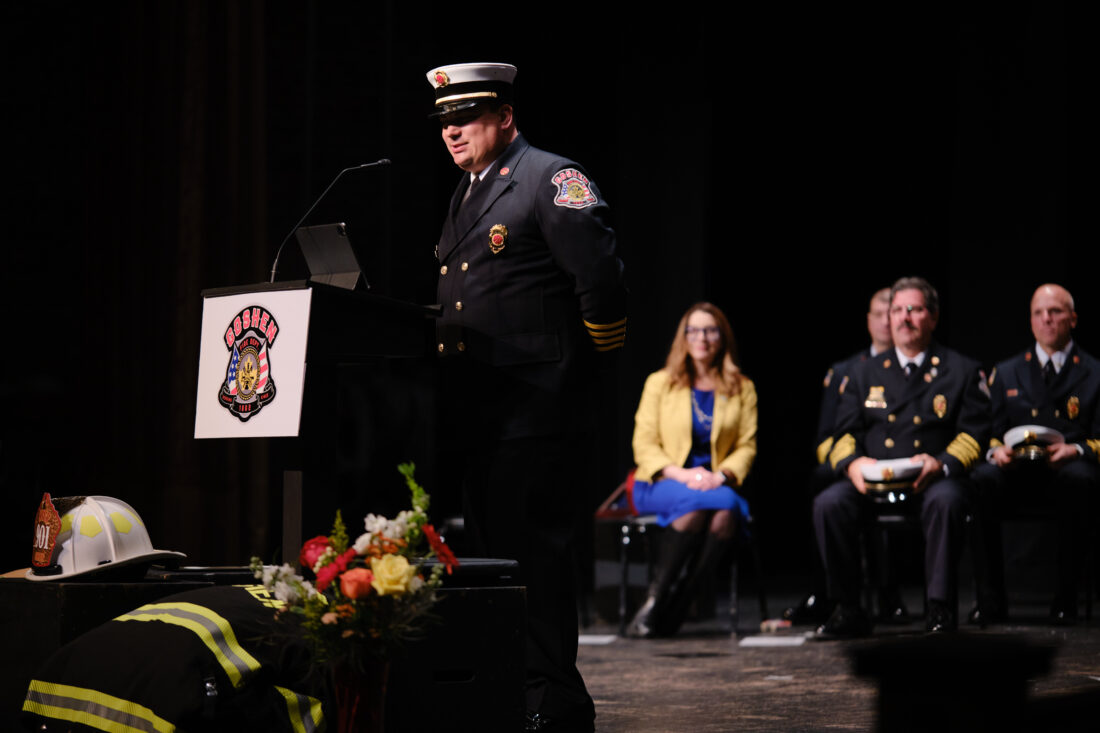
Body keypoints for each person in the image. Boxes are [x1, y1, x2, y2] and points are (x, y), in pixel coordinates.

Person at [426, 63, 627, 733]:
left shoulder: (548, 177)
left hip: (538, 409)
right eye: (445, 120)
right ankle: (513, 691)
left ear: (505, 116)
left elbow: (598, 275)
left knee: (535, 560)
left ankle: (558, 699)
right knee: (494, 557)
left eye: (468, 116)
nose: (452, 129)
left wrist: (586, 369)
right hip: (482, 411)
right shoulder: (468, 191)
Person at [812, 277, 990, 638]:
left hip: (932, 479)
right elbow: (842, 434)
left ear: (934, 317)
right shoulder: (861, 373)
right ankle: (848, 608)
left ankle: (939, 608)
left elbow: (975, 435)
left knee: (949, 500)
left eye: (915, 309)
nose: (904, 318)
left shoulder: (961, 370)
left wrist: (940, 463)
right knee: (828, 503)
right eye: (897, 310)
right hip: (873, 480)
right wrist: (852, 465)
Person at [970, 284, 1100, 625]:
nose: (1047, 319)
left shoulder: (1095, 371)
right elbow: (989, 431)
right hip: (1016, 472)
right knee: (979, 482)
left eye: (1055, 311)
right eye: (1039, 313)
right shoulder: (1008, 370)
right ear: (1030, 321)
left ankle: (1065, 600)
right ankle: (990, 601)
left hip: (1066, 470)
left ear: (1072, 318)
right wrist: (996, 450)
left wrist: (1076, 449)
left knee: (1081, 482)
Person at [627, 302, 757, 638]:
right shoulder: (660, 383)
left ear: (722, 337)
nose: (702, 337)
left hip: (716, 484)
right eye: (694, 330)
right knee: (720, 506)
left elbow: (747, 445)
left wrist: (720, 475)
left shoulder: (742, 388)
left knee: (723, 510)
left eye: (711, 330)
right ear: (683, 338)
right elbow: (644, 444)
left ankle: (677, 602)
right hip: (662, 481)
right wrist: (683, 475)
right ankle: (658, 602)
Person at [786, 288, 895, 625]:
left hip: (901, 466)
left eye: (892, 313)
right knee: (822, 485)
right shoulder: (847, 371)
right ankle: (827, 592)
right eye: (878, 313)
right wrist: (851, 464)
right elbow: (827, 437)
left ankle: (889, 594)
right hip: (852, 464)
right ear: (868, 320)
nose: (886, 321)